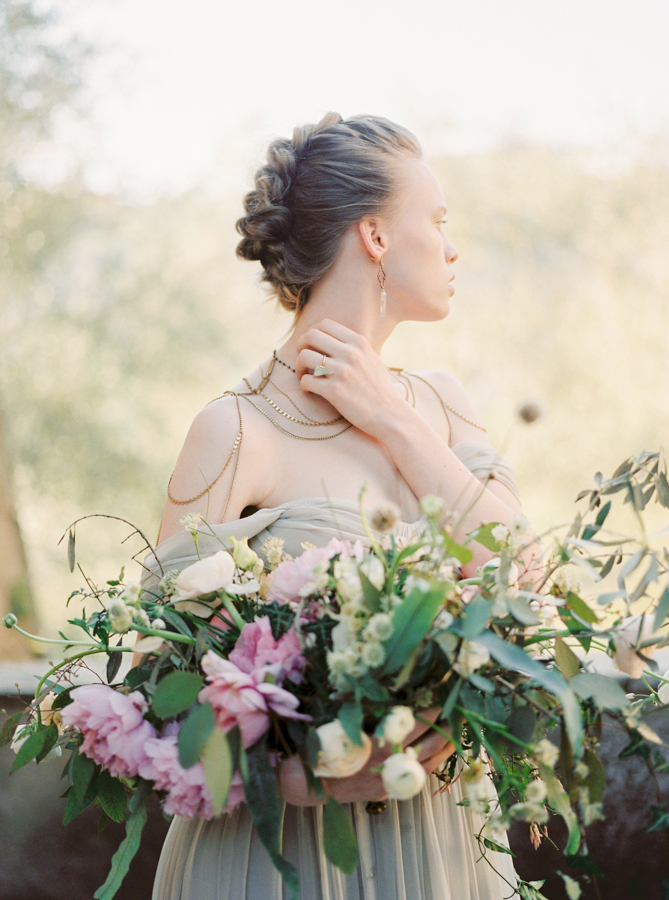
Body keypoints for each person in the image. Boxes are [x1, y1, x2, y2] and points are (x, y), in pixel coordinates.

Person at [138, 112, 533, 900]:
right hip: (280, 858)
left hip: (447, 843)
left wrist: (392, 419)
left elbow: (524, 573)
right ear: (376, 237)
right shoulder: (234, 430)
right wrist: (306, 781)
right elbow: (155, 697)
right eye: (438, 221)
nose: (452, 248)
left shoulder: (443, 407)